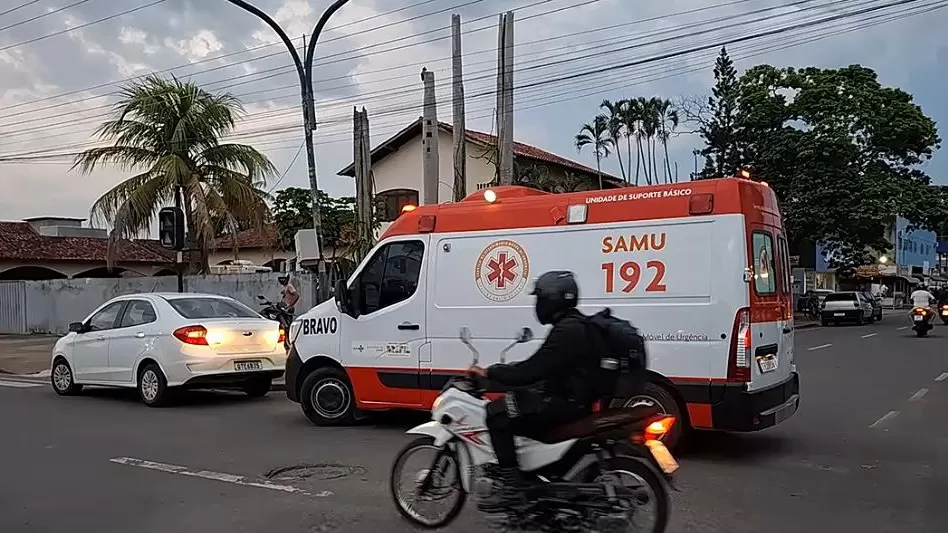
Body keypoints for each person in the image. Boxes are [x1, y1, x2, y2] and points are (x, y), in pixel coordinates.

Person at [468, 271, 595, 511]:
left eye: (540, 298)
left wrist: (491, 372)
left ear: (552, 300)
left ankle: (512, 488)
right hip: (572, 399)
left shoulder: (566, 331)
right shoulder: (575, 324)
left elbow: (530, 371)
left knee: (497, 413)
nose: (538, 304)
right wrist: (516, 372)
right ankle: (531, 473)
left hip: (563, 405)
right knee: (519, 402)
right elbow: (546, 366)